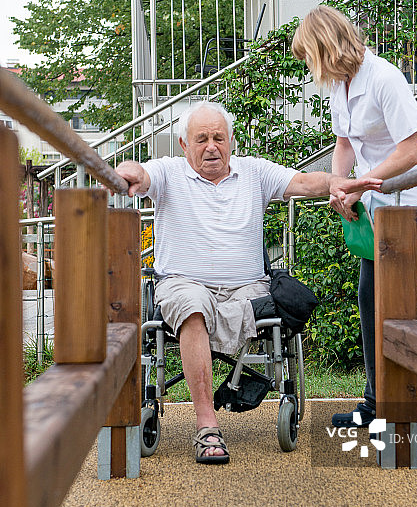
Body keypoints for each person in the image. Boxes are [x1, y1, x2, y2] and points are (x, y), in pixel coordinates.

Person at [116, 100, 381, 464]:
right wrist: (128, 171)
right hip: (183, 283)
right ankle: (207, 424)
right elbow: (142, 175)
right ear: (183, 145)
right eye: (202, 139)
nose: (212, 146)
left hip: (247, 289)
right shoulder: (168, 172)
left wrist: (338, 182)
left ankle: (238, 392)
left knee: (257, 303)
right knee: (193, 306)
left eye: (219, 137)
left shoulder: (254, 172)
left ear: (232, 140)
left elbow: (303, 182)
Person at [291, 6, 417, 436]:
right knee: (370, 300)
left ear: (326, 47)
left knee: (398, 306)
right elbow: (345, 143)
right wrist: (339, 186)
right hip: (381, 207)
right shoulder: (341, 87)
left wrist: (360, 184)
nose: (308, 65)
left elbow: (411, 152)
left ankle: (415, 414)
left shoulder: (383, 78)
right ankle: (377, 402)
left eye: (309, 56)